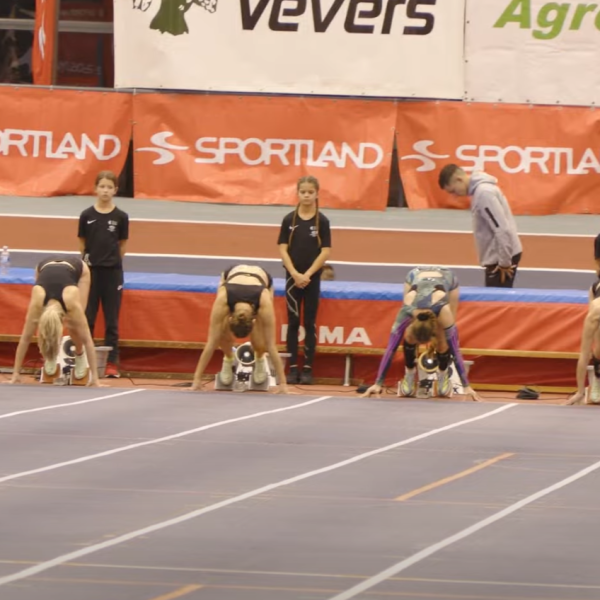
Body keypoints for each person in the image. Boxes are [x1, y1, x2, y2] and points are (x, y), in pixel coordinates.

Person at [362, 266, 480, 401]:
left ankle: (443, 373)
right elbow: (391, 349)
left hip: (447, 278)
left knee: (443, 338)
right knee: (408, 336)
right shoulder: (406, 311)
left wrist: (466, 385)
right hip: (415, 275)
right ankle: (409, 373)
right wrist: (378, 383)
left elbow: (455, 349)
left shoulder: (443, 310)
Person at [190, 264, 291, 394]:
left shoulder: (263, 301)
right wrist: (196, 379)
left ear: (253, 319)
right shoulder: (223, 298)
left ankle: (259, 358)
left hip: (262, 281)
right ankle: (228, 358)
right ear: (231, 317)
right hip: (230, 277)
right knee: (220, 330)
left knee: (261, 336)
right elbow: (212, 342)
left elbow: (271, 346)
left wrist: (283, 384)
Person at [7, 255, 102, 386]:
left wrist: (95, 379)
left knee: (75, 326)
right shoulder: (37, 300)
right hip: (43, 266)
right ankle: (50, 355)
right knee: (43, 329)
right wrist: (15, 374)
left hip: (78, 270)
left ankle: (79, 354)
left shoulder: (71, 299)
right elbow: (25, 338)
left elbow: (87, 340)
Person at [278, 175, 332, 385]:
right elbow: (282, 249)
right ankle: (292, 367)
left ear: (317, 194)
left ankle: (308, 368)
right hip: (292, 279)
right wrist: (294, 273)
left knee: (309, 322)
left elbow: (325, 251)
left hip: (311, 280)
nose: (307, 195)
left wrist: (308, 274)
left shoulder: (322, 221)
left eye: (310, 192)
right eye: (303, 192)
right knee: (293, 321)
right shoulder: (289, 220)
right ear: (297, 193)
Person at [78, 170, 129, 378]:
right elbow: (82, 243)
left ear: (115, 190)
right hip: (90, 274)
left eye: (109, 187)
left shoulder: (121, 217)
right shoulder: (86, 215)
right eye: (102, 187)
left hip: (112, 274)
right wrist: (86, 265)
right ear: (95, 189)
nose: (105, 191)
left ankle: (111, 363)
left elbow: (122, 244)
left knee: (111, 321)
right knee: (88, 317)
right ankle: (85, 360)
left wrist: (113, 263)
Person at [438, 164, 522, 288]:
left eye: (453, 191)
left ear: (459, 179)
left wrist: (504, 262)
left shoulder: (484, 194)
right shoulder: (482, 191)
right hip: (500, 255)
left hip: (500, 258)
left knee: (496, 298)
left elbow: (501, 228)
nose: (455, 196)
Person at [568, 280, 600, 405]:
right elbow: (584, 354)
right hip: (595, 311)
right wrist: (579, 392)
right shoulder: (594, 315)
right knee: (596, 349)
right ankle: (596, 380)